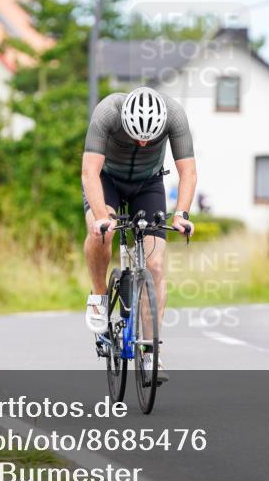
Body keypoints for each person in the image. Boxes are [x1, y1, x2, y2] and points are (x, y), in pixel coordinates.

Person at [82, 87, 196, 384]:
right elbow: (89, 172)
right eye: (136, 136)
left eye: (149, 137)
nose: (143, 142)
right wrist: (101, 218)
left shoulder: (175, 116)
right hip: (107, 180)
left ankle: (150, 352)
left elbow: (188, 173)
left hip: (149, 184)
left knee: (155, 266)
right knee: (101, 235)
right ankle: (98, 295)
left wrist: (181, 213)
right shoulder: (107, 112)